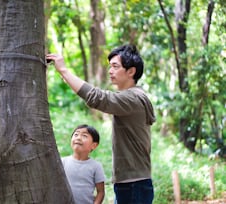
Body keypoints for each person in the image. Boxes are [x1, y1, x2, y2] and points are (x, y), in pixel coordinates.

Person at [46, 44, 155, 204]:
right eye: (110, 66)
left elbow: (98, 98)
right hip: (132, 183)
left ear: (131, 71)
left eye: (115, 66)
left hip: (133, 185)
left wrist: (64, 70)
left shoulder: (133, 99)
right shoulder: (133, 97)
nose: (110, 71)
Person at [62, 124, 105, 204]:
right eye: (76, 134)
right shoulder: (63, 162)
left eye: (84, 136)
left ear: (94, 145)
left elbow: (100, 192)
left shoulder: (96, 166)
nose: (78, 138)